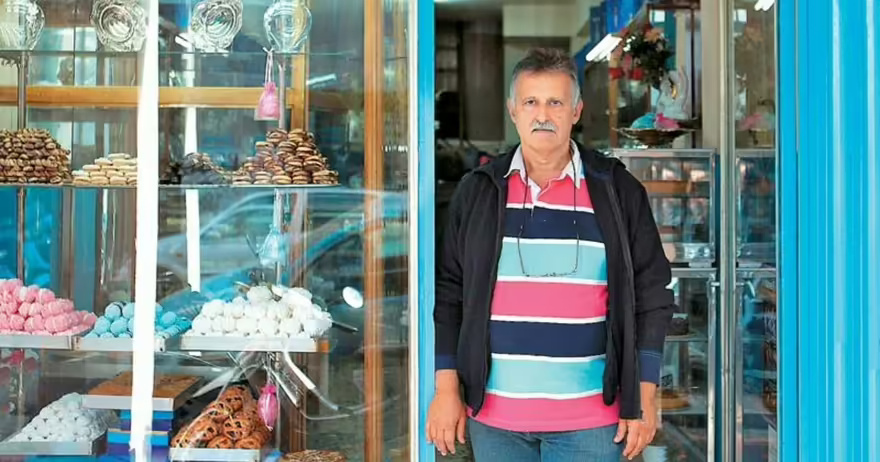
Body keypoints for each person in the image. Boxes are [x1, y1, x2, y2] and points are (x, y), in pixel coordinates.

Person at [426, 48, 674, 461]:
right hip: (496, 421)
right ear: (513, 110)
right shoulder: (479, 191)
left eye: (556, 102)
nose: (543, 114)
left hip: (593, 422)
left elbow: (653, 294)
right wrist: (446, 389)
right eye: (531, 102)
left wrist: (645, 395)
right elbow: (450, 294)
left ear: (576, 111)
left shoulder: (617, 189)